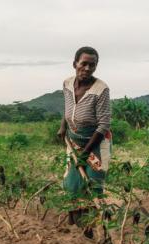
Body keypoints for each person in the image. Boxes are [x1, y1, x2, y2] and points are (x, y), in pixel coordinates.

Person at [57, 46, 111, 197]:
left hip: (96, 144)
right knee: (71, 183)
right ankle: (73, 218)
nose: (87, 68)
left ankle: (94, 218)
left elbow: (104, 125)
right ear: (75, 64)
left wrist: (85, 153)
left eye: (92, 65)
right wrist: (63, 126)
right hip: (74, 142)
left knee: (93, 184)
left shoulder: (101, 89)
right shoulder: (67, 84)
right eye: (84, 63)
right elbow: (68, 107)